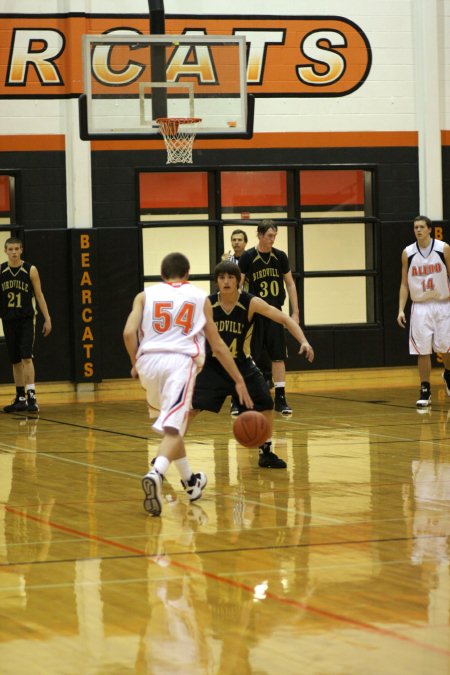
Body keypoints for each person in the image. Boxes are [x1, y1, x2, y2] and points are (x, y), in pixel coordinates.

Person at [123, 252, 253, 517]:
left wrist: (135, 363)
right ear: (187, 274)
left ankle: (191, 482)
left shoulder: (144, 295)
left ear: (162, 274)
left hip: (149, 365)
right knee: (174, 429)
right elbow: (217, 345)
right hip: (179, 365)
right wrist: (238, 379)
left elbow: (128, 333)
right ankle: (156, 473)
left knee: (173, 425)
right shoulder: (199, 297)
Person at [190, 261, 314, 468]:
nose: (226, 281)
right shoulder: (207, 304)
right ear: (216, 282)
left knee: (266, 404)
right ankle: (166, 456)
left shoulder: (251, 303)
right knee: (191, 409)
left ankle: (266, 451)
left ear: (239, 280)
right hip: (214, 366)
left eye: (231, 277)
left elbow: (284, 318)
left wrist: (303, 341)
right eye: (222, 278)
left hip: (243, 365)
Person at [238, 219, 301, 415]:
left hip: (275, 312)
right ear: (260, 235)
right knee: (248, 357)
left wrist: (295, 312)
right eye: (269, 236)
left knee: (278, 356)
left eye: (274, 236)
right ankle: (242, 398)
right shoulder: (248, 257)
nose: (272, 239)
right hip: (255, 314)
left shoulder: (280, 257)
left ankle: (280, 398)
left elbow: (290, 284)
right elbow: (239, 286)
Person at [397, 215, 450, 407]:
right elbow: (404, 284)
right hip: (420, 306)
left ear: (429, 229)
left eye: (421, 227)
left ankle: (448, 374)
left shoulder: (443, 248)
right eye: (415, 227)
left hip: (444, 304)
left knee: (446, 348)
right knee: (422, 350)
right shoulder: (408, 253)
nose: (418, 230)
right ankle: (425, 389)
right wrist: (401, 309)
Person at [0, 237, 52, 413]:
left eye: (16, 249)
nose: (14, 252)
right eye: (10, 249)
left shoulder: (30, 270)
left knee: (26, 357)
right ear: (5, 251)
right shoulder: (1, 271)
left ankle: (31, 396)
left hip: (26, 319)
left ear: (21, 250)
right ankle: (20, 397)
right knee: (15, 360)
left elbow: (39, 295)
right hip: (8, 320)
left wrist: (47, 318)